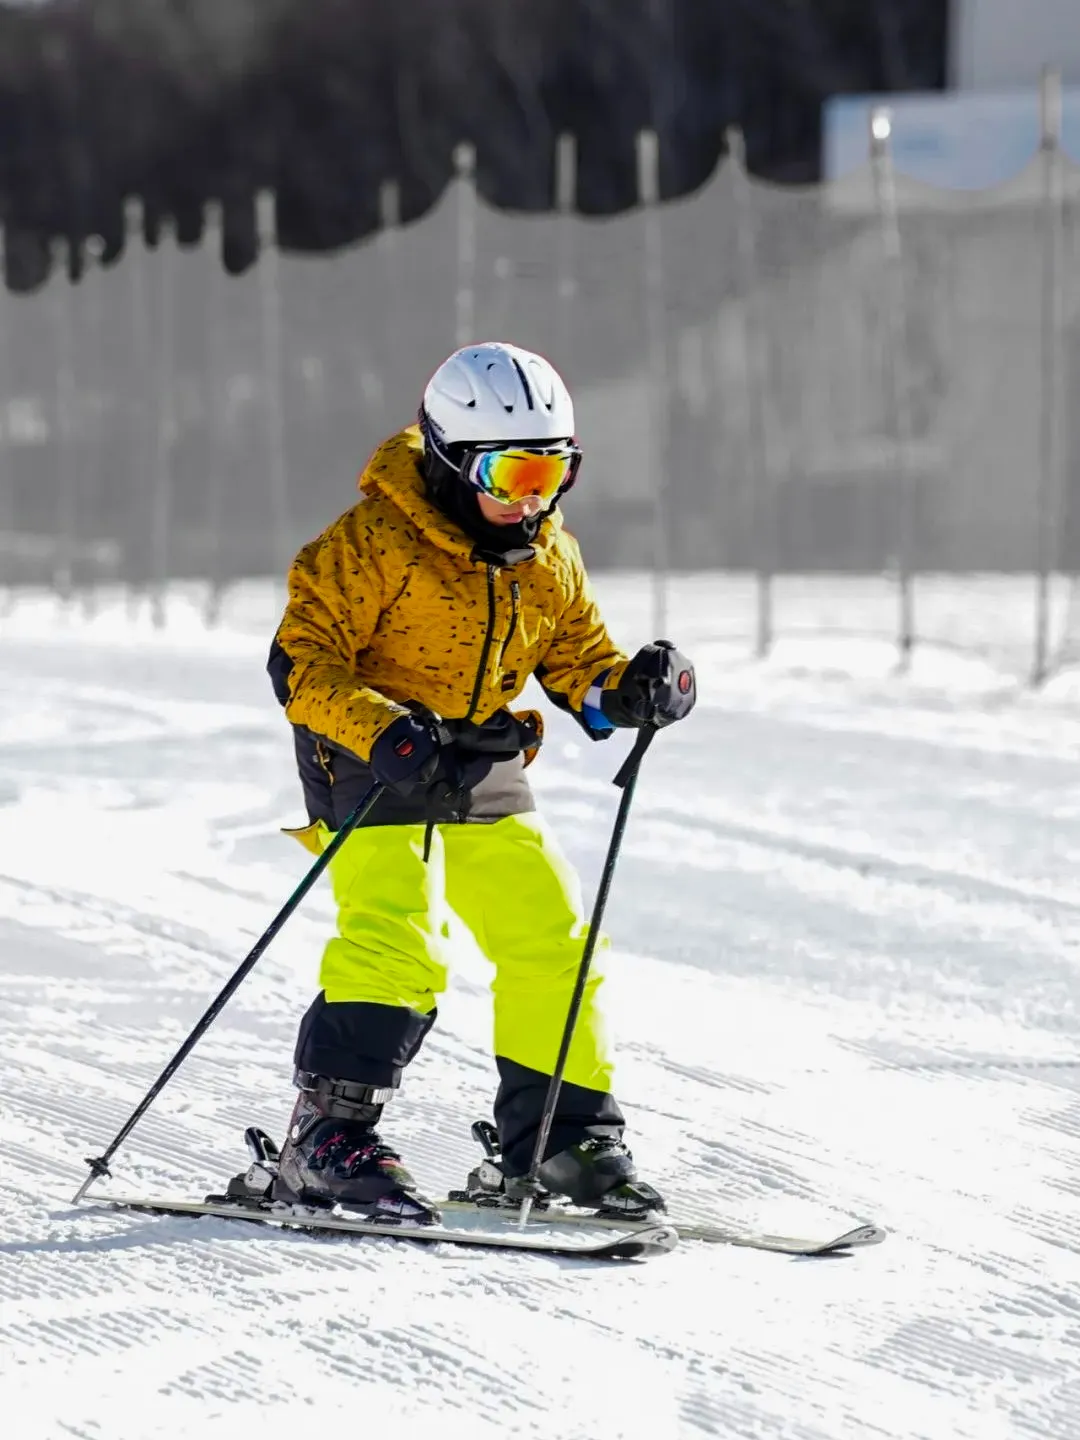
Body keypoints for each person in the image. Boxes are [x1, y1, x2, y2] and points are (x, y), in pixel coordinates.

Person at [266, 341, 696, 1223]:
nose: (533, 496)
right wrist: (387, 732)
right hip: (373, 758)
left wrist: (632, 691)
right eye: (512, 471)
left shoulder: (549, 555)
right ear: (451, 460)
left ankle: (561, 1140)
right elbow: (300, 666)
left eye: (554, 470)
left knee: (553, 935)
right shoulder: (367, 545)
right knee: (398, 941)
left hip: (483, 758)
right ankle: (327, 1139)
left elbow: (580, 666)